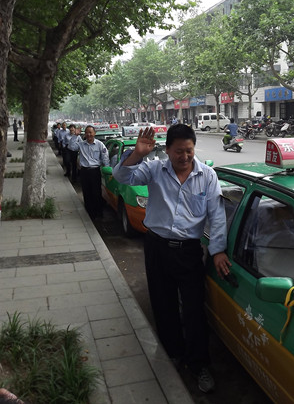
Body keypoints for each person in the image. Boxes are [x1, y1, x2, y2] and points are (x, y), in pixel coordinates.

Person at [113, 124, 231, 393]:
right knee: (163, 305)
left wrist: (218, 250)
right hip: (157, 248)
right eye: (179, 151)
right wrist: (137, 154)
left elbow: (217, 216)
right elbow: (122, 176)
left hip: (188, 251)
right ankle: (173, 354)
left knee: (194, 310)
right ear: (167, 150)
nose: (184, 156)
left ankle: (198, 364)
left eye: (189, 150)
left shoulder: (207, 176)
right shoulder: (154, 169)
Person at [77, 125, 109, 219]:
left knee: (96, 192)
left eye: (90, 132)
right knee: (86, 192)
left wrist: (106, 169)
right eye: (87, 132)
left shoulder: (100, 144)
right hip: (84, 171)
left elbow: (105, 157)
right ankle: (89, 213)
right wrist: (75, 136)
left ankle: (99, 212)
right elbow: (71, 147)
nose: (88, 134)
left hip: (95, 171)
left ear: (94, 133)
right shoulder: (81, 144)